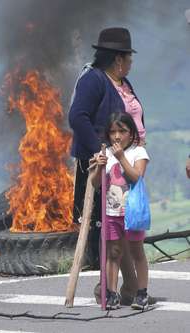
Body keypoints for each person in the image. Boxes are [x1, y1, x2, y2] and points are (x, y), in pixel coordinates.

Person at [68, 27, 154, 306]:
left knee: (126, 224)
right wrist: (99, 152)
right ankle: (114, 286)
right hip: (102, 163)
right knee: (109, 226)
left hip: (128, 162)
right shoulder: (94, 80)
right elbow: (77, 117)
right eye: (129, 57)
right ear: (118, 59)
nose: (131, 62)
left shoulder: (124, 83)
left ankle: (126, 287)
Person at [89, 112, 150, 310]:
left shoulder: (137, 153)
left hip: (132, 212)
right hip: (111, 213)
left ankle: (141, 293)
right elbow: (96, 184)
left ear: (131, 133)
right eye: (112, 131)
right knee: (113, 253)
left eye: (121, 131)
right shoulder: (105, 154)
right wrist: (98, 168)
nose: (116, 136)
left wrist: (121, 158)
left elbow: (135, 177)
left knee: (136, 251)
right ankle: (112, 293)